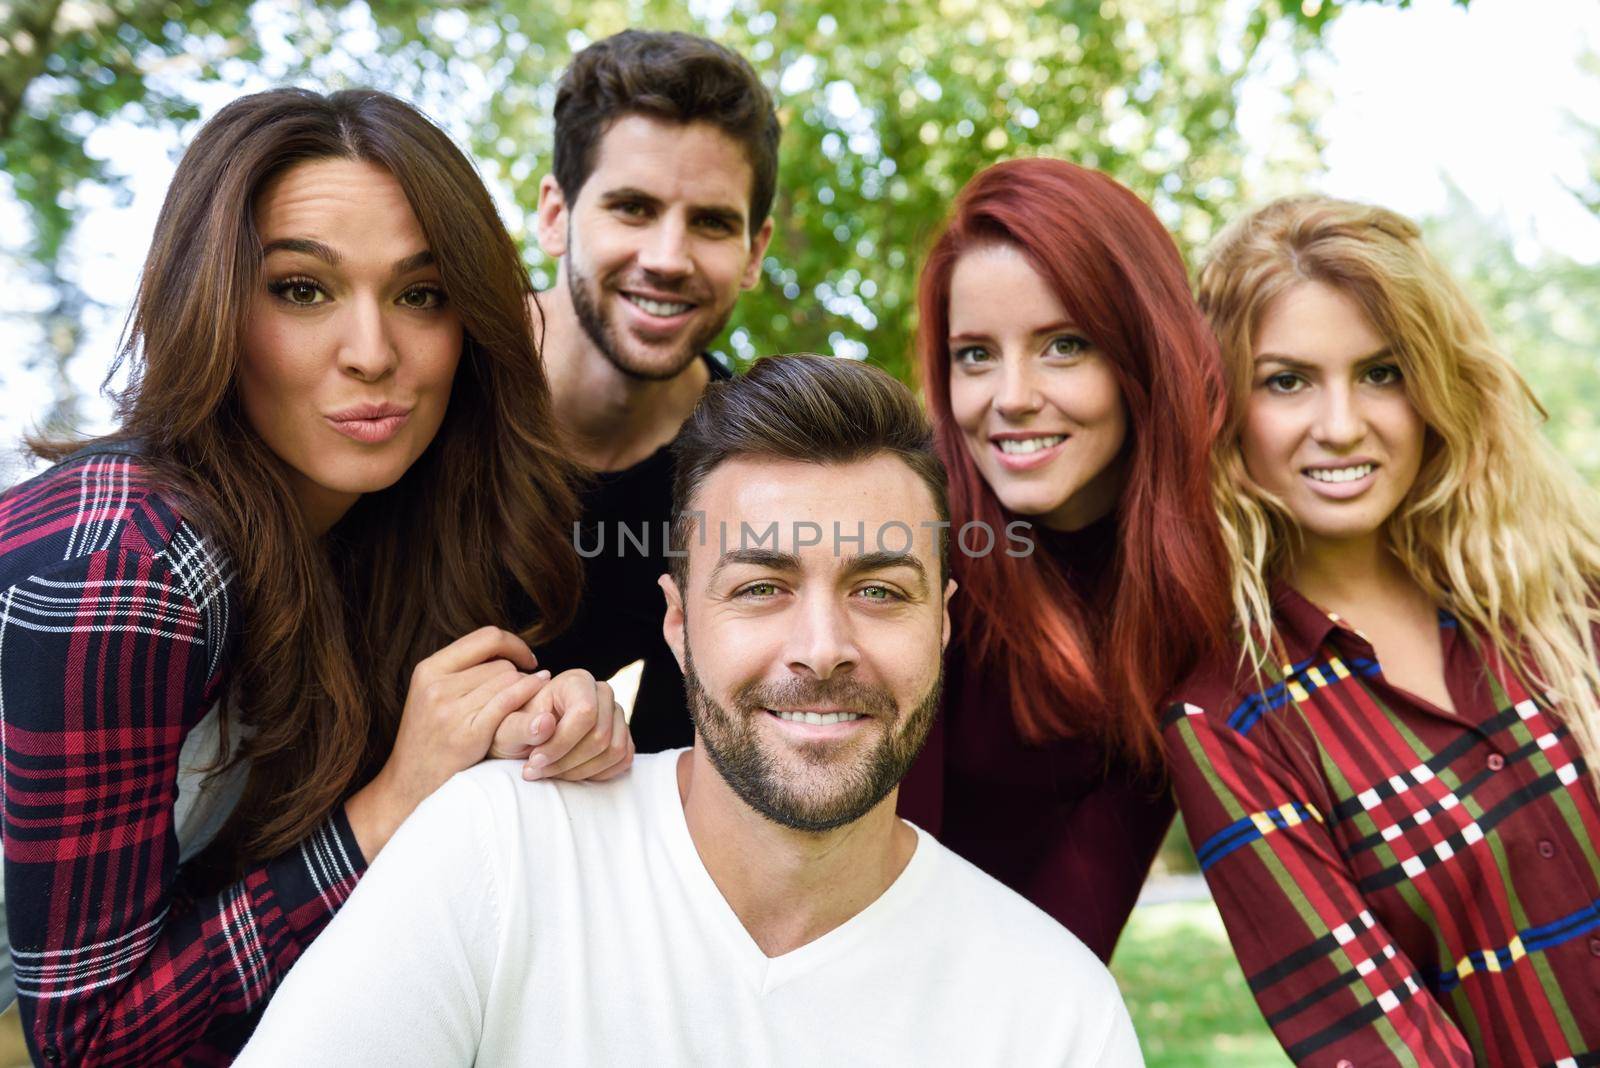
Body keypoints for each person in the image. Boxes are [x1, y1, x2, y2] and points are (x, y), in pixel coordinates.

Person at [237, 355, 1143, 1067]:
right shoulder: (496, 857)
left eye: (878, 591)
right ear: (677, 622)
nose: (822, 646)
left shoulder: (1053, 1007)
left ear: (942, 625)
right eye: (760, 587)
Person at [0, 88, 632, 1065]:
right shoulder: (130, 569)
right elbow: (86, 1048)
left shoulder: (366, 534)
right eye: (302, 289)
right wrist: (390, 804)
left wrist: (532, 740)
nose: (374, 354)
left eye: (422, 294)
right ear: (209, 301)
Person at [1164, 195, 1600, 1064]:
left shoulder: (1560, 596)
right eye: (1286, 381)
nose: (1340, 424)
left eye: (1382, 372)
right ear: (1224, 410)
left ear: (1435, 382)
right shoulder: (1231, 717)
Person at [900, 157, 1232, 959]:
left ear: (1142, 355)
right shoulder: (913, 543)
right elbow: (877, 874)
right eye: (975, 355)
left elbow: (1077, 928)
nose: (1010, 396)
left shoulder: (1195, 576)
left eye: (1064, 345)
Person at [524, 29, 778, 752]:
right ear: (555, 215)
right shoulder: (434, 384)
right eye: (632, 207)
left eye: (710, 222)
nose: (667, 259)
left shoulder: (743, 474)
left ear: (754, 252)